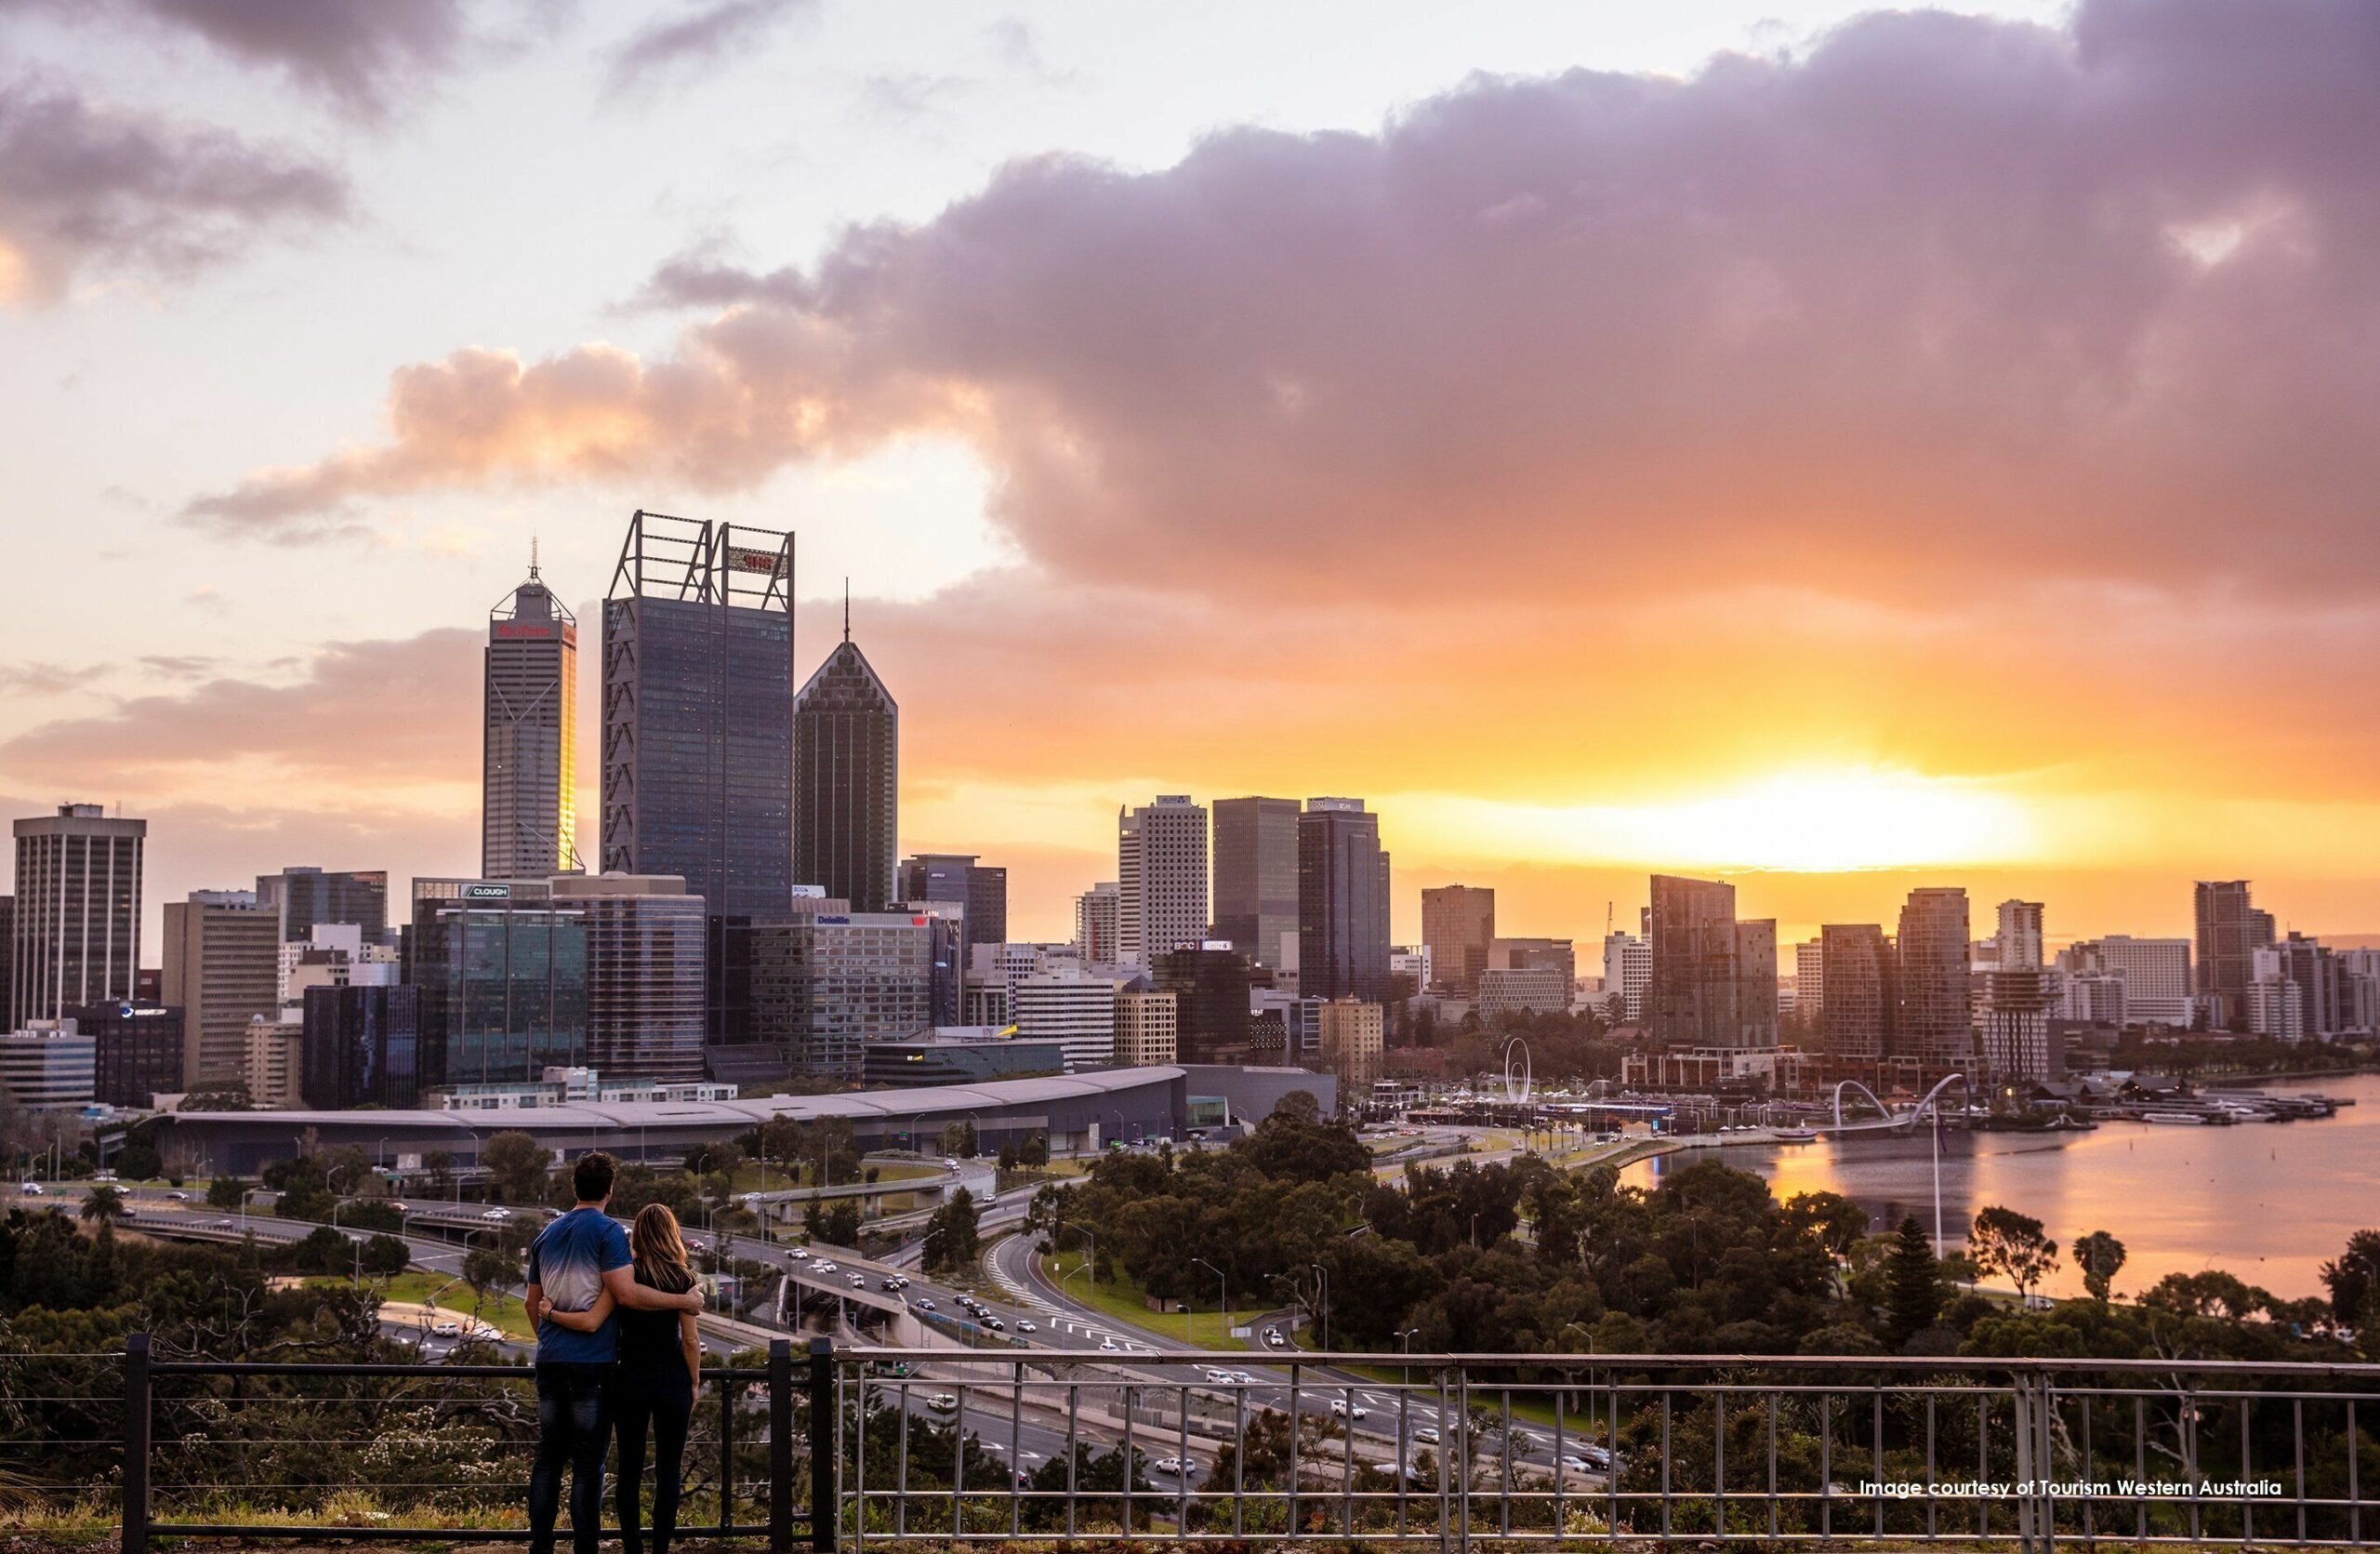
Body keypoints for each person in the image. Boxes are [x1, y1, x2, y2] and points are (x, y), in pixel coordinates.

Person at [520, 1151, 702, 1554]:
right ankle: (587, 1547)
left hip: (552, 1362)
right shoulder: (608, 1235)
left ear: (574, 1187)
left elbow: (532, 1306)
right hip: (594, 1366)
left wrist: (551, 1338)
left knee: (549, 1458)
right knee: (589, 1464)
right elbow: (626, 1294)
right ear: (610, 1189)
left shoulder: (545, 1235)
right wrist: (684, 1302)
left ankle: (541, 1546)